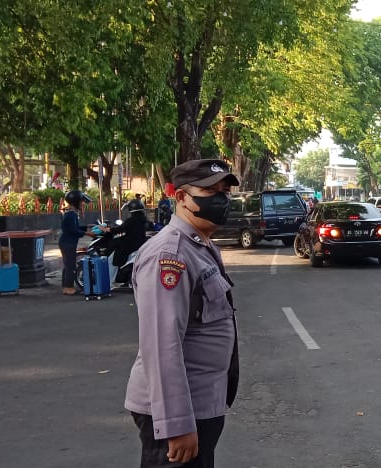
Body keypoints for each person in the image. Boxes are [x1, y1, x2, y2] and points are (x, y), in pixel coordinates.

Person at [124, 159, 240, 468]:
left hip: (202, 403)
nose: (221, 199)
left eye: (224, 191)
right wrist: (176, 424)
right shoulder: (170, 255)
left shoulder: (201, 246)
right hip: (179, 413)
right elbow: (162, 345)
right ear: (181, 198)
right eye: (209, 191)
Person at [59, 190, 96, 295]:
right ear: (75, 202)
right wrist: (88, 233)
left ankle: (65, 287)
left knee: (68, 265)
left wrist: (87, 226)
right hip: (68, 243)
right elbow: (73, 230)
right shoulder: (71, 215)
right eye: (81, 202)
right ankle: (68, 288)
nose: (82, 204)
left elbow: (75, 227)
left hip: (67, 242)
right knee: (70, 265)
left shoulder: (71, 213)